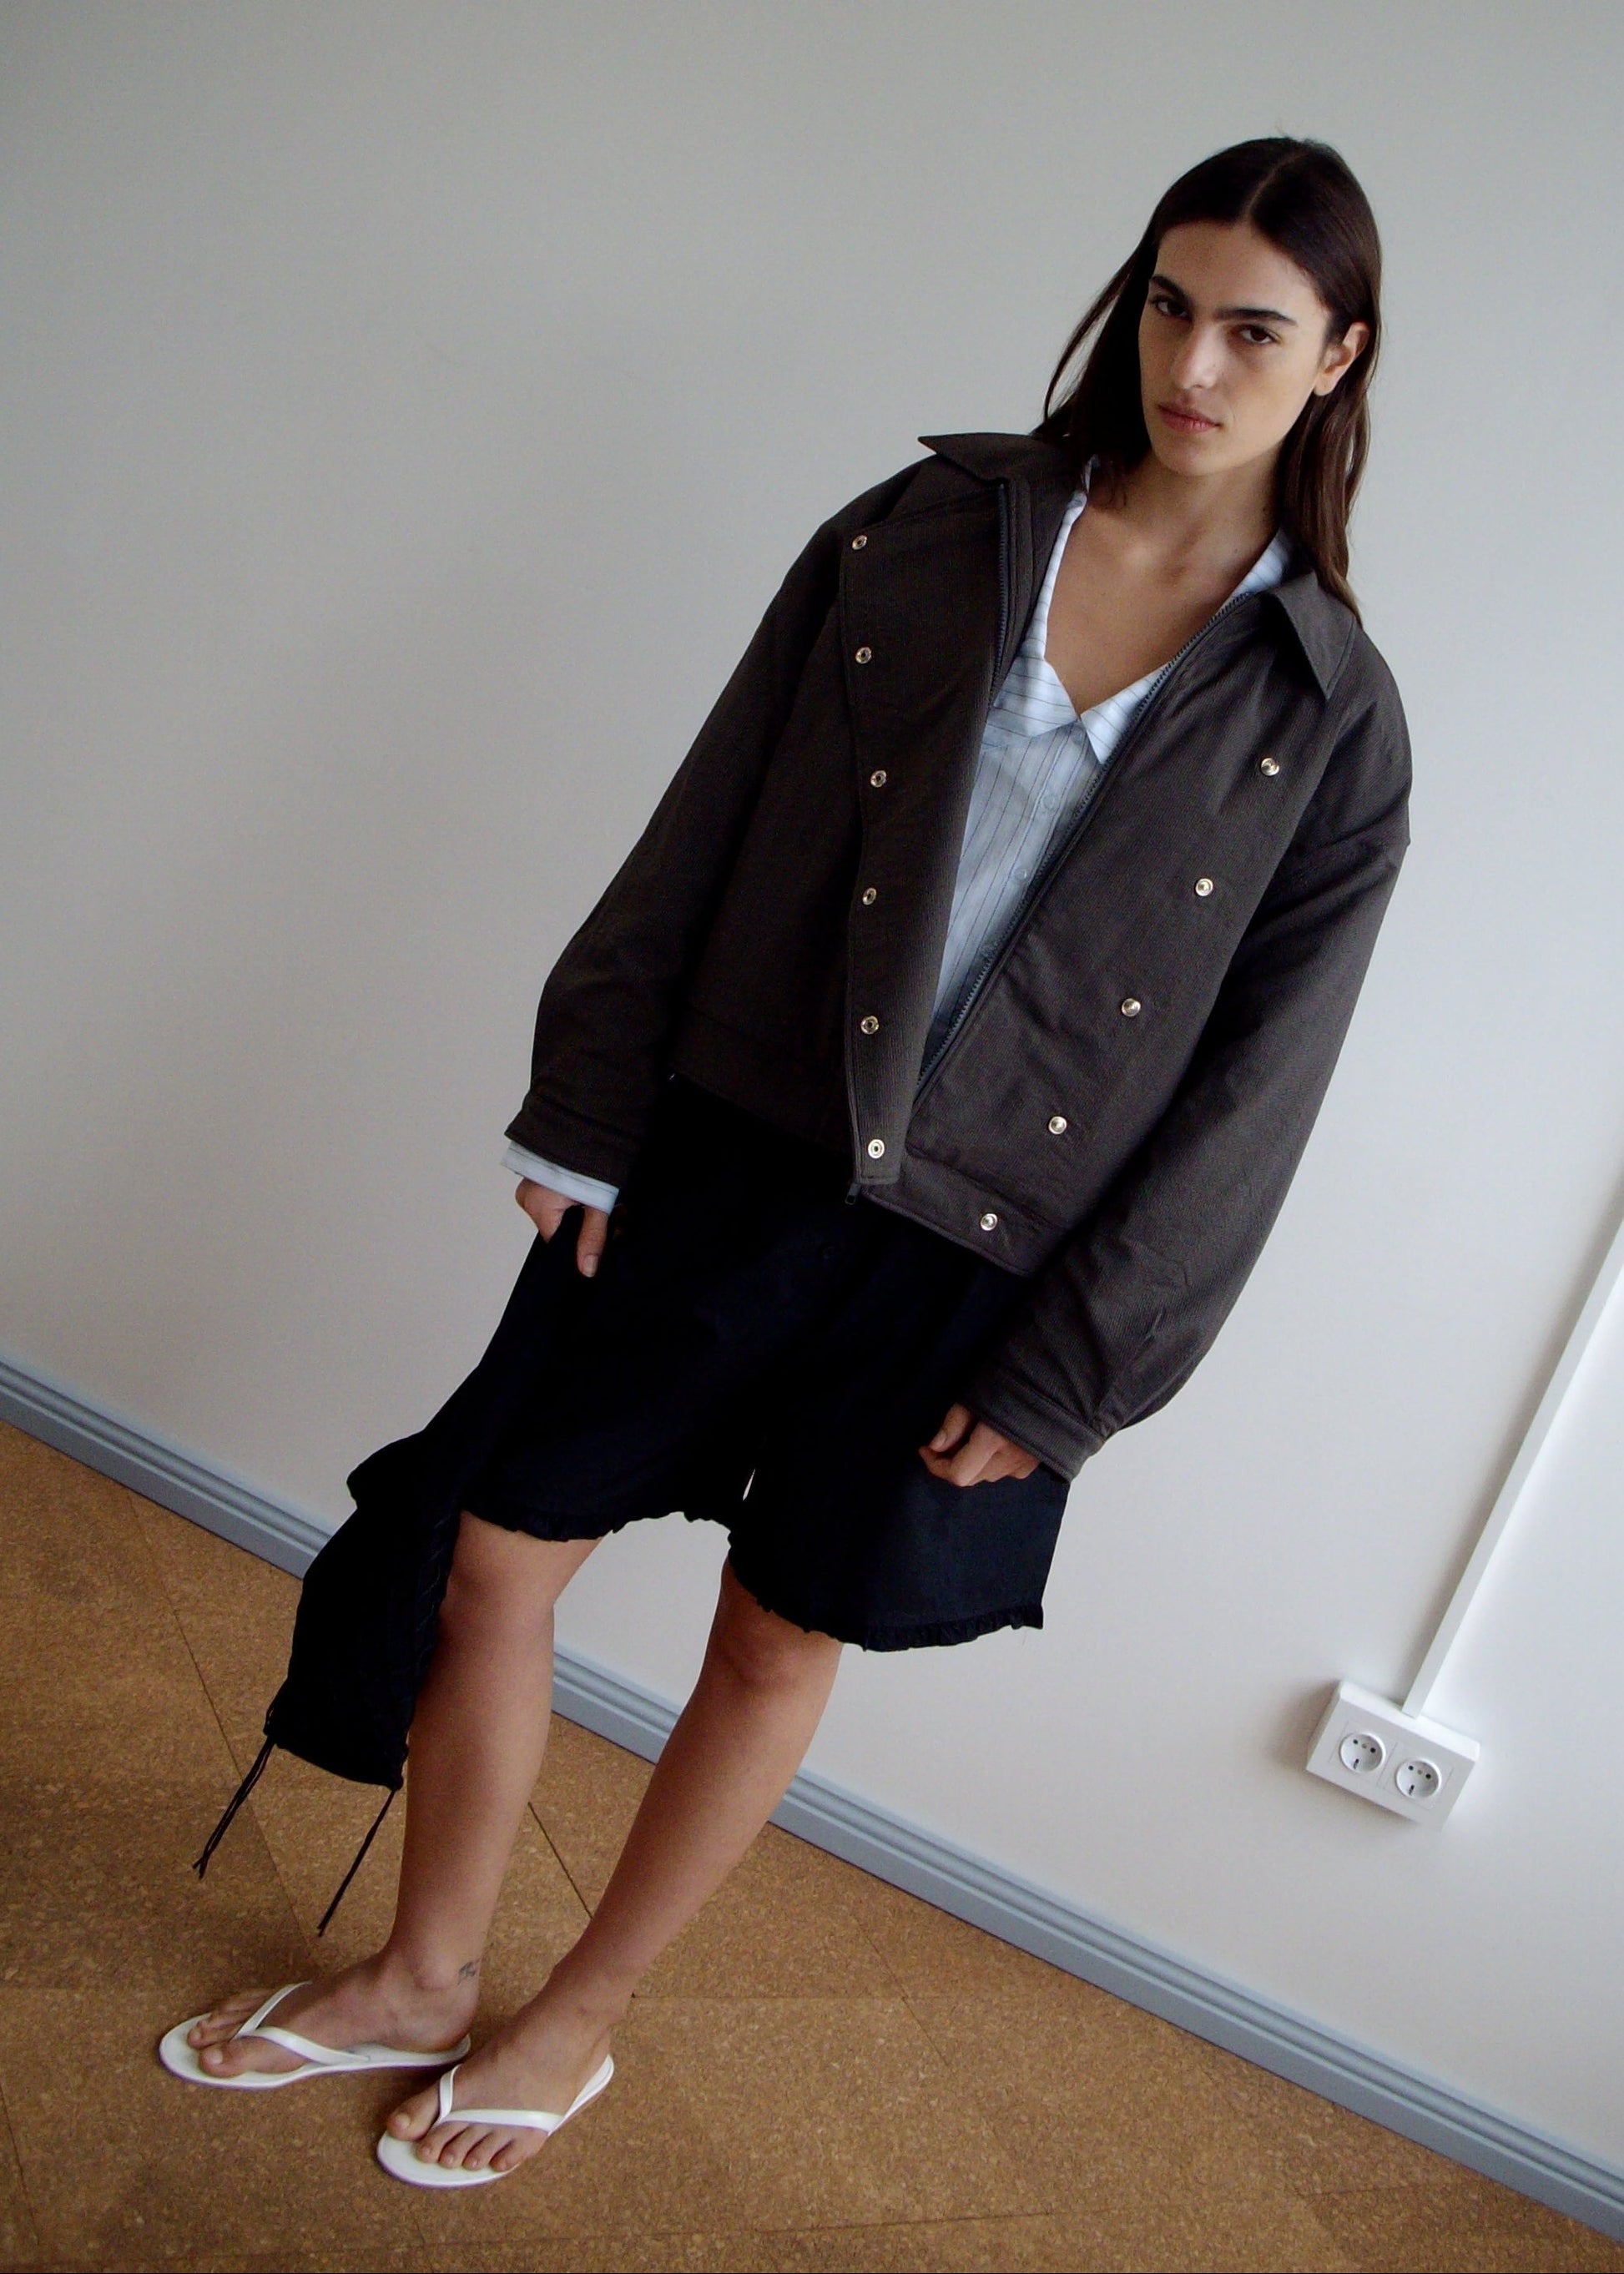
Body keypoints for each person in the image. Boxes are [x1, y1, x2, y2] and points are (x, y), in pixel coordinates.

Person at [160, 134, 1410, 2186]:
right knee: (494, 1552)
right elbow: (715, 802)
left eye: (1255, 331)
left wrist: (1076, 1370)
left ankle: (577, 2017)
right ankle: (420, 1974)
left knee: (775, 1633)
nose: (1195, 365)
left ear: (1338, 357)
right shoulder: (930, 527)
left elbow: (1257, 1093)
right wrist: (591, 1104)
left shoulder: (1330, 720)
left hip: (981, 1252)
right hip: (736, 1144)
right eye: (1171, 307)